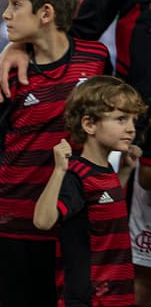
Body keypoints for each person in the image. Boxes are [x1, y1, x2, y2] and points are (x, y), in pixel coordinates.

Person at [0, 0, 151, 303]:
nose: (6, 14)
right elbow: (80, 27)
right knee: (136, 278)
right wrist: (24, 42)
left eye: (15, 6)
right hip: (142, 154)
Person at [0, 0, 113, 307]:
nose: (6, 14)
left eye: (16, 5)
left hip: (74, 224)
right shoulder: (7, 74)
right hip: (12, 230)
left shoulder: (96, 60)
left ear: (46, 13)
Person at [34, 75, 146, 306]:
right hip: (88, 298)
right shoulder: (76, 175)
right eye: (121, 119)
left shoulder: (104, 171)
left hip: (114, 295)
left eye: (133, 120)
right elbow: (43, 221)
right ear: (89, 125)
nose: (131, 129)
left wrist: (125, 172)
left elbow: (102, 206)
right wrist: (59, 171)